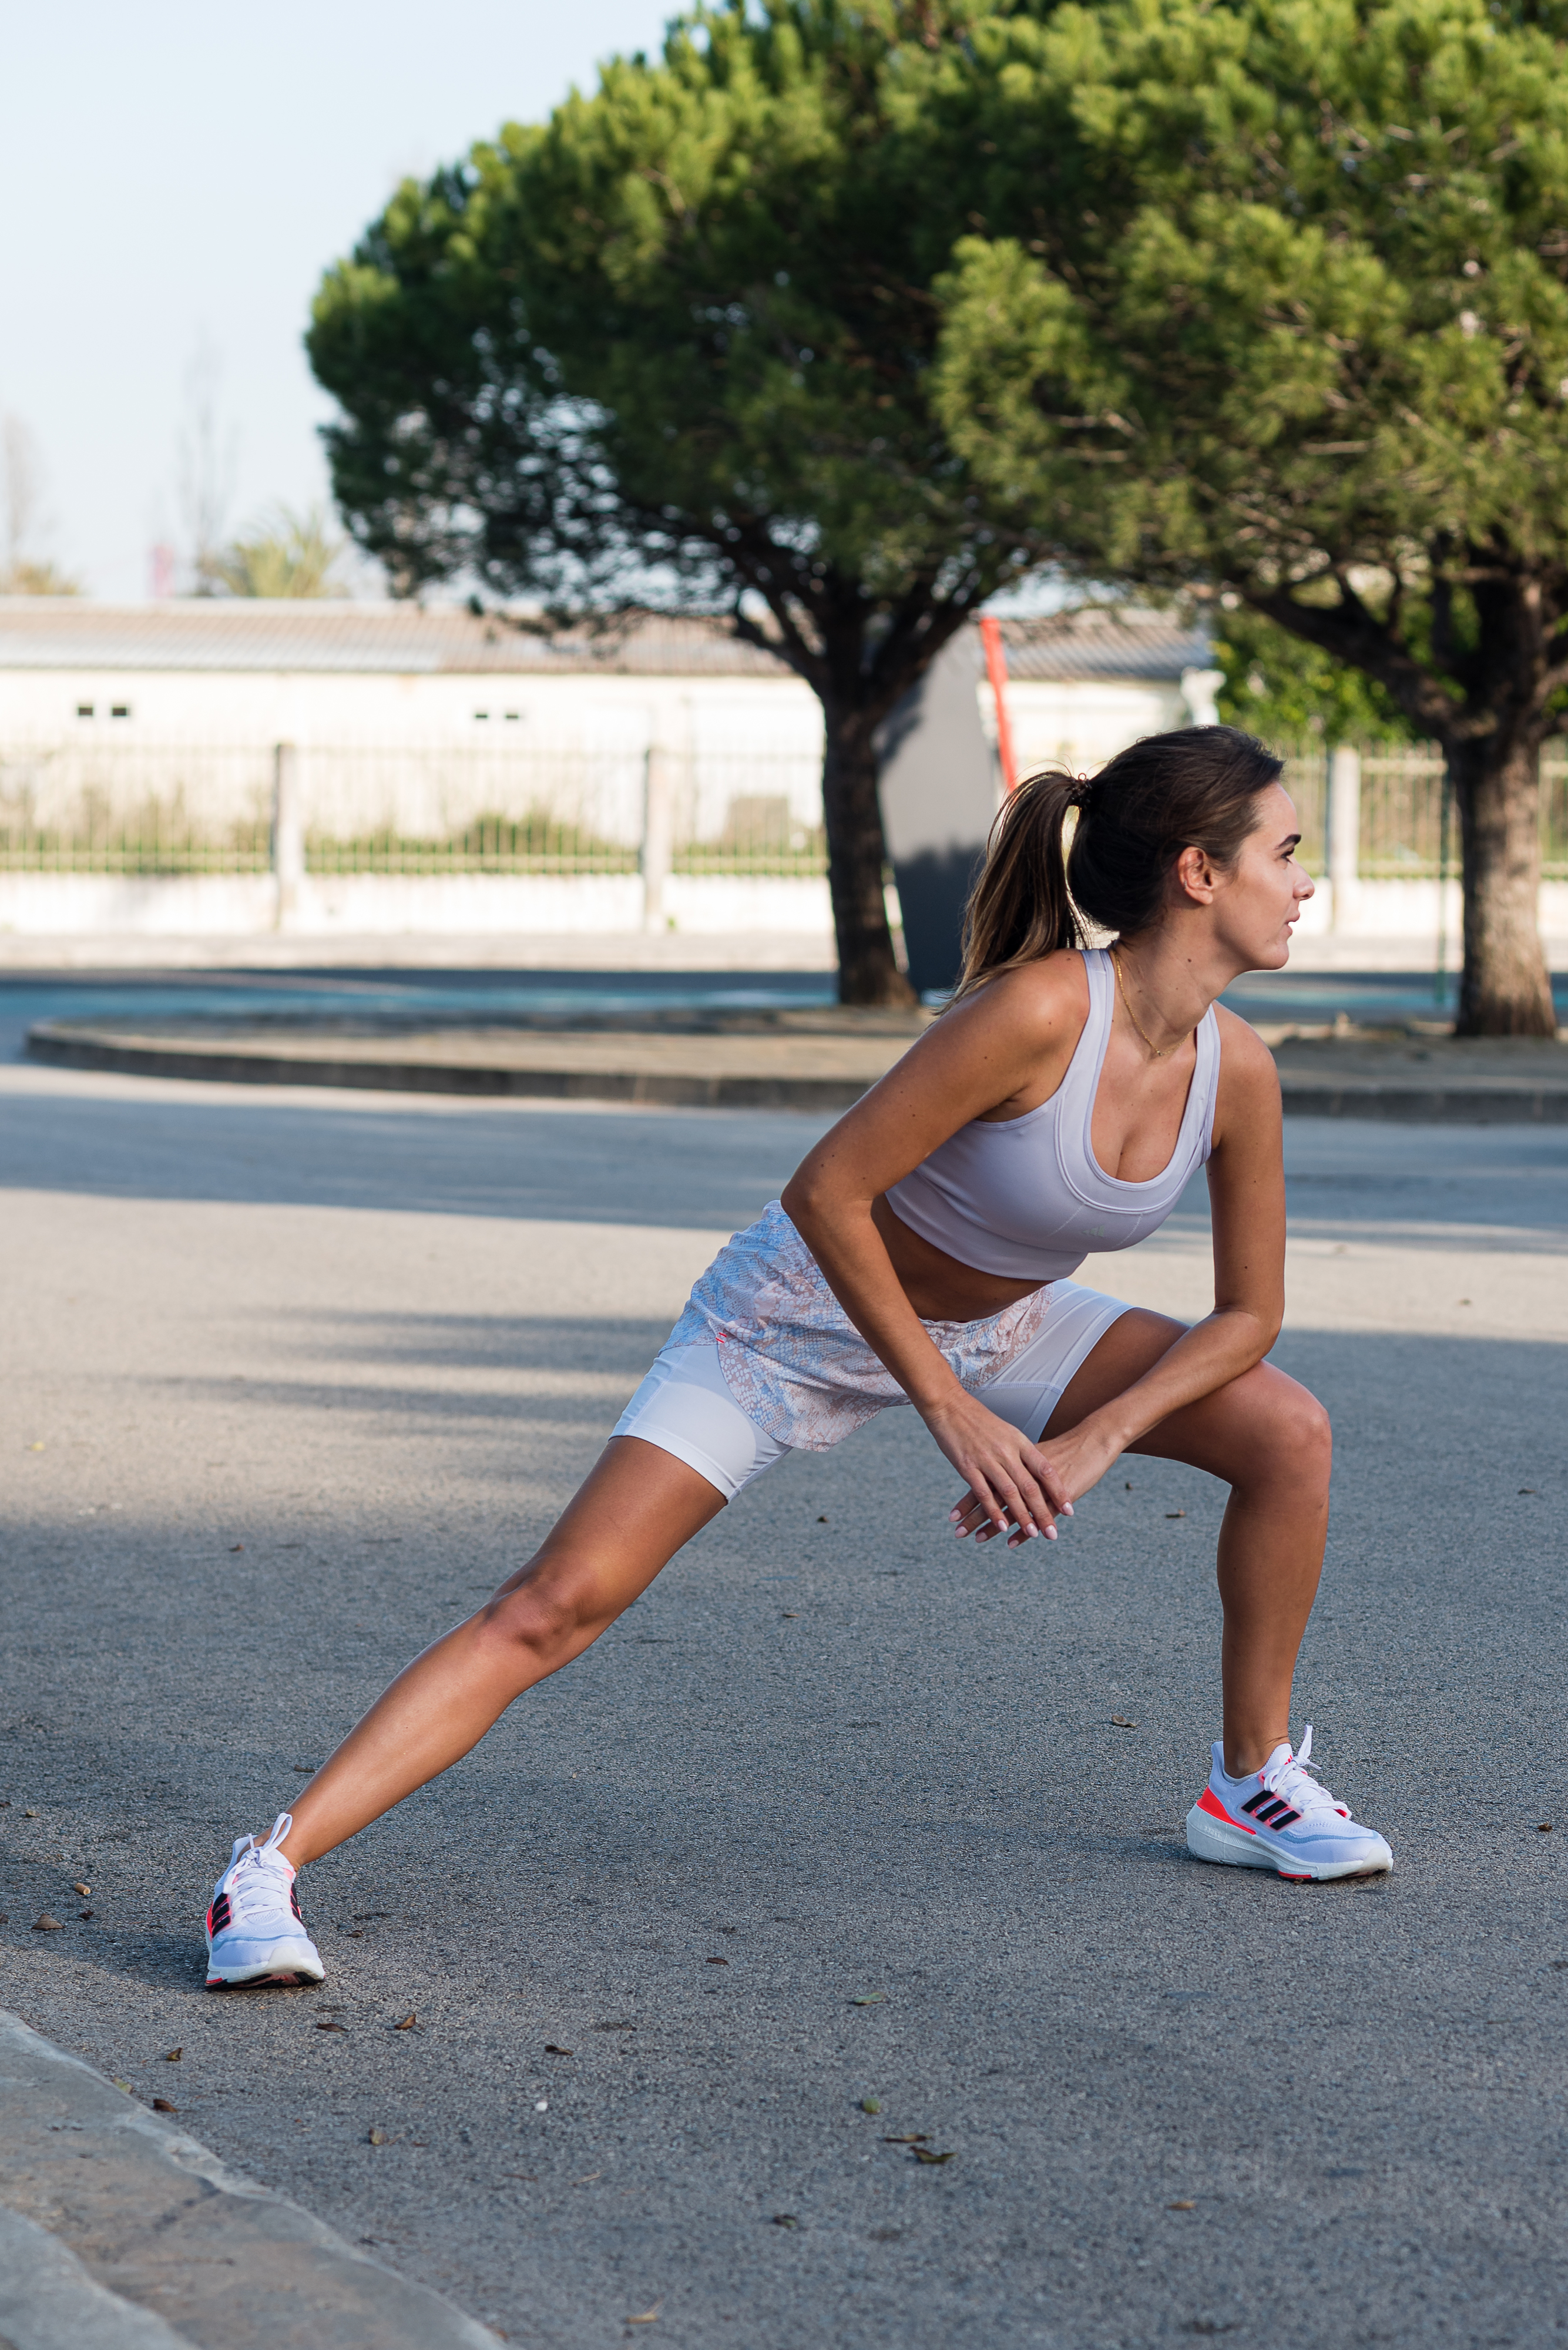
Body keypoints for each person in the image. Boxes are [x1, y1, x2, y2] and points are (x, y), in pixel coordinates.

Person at [204, 724, 1391, 1989]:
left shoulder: (1240, 1070)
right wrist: (949, 1408)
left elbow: (1245, 1316)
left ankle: (1250, 1780)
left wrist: (1094, 1436)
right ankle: (263, 1874)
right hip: (793, 1312)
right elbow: (830, 1190)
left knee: (1287, 1431)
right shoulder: (1042, 1009)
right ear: (1201, 873)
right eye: (1287, 850)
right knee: (557, 1603)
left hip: (1008, 1322)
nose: (1307, 881)